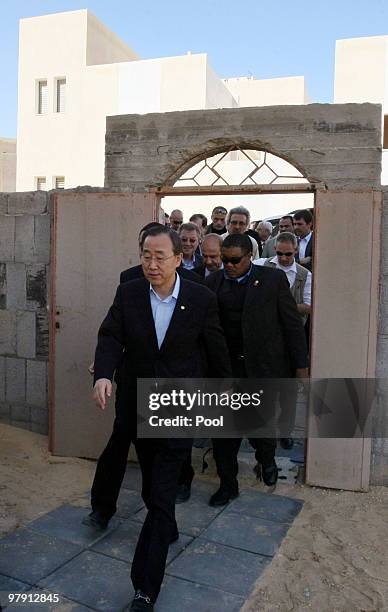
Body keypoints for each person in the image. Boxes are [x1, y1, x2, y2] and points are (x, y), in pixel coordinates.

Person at [90, 226, 231, 611]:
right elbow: (110, 336)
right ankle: (165, 525)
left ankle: (144, 589)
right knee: (154, 490)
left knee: (160, 494)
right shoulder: (129, 292)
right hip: (136, 405)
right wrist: (103, 373)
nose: (151, 264)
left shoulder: (201, 299)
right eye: (146, 256)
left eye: (160, 257)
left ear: (179, 259)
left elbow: (215, 351)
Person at [206, 233, 308, 506]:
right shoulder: (212, 283)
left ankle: (267, 460)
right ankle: (228, 485)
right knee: (224, 433)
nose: (228, 265)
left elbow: (292, 325)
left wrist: (301, 366)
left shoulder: (273, 281)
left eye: (234, 260)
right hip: (225, 371)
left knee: (260, 425)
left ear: (249, 257)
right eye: (224, 260)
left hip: (262, 368)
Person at [254, 231, 312, 449]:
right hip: (265, 339)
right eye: (279, 254)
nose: (284, 259)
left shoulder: (304, 275)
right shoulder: (263, 265)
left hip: (290, 340)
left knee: (287, 392)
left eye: (288, 254)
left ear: (296, 251)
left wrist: (280, 305)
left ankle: (285, 431)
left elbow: (308, 306)